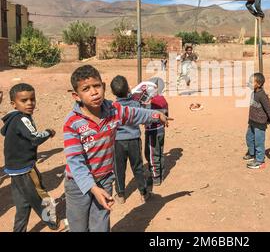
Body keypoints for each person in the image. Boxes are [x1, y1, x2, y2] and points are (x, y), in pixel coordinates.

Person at [63, 65, 169, 232]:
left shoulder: (113, 110)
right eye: (86, 88)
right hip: (77, 184)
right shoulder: (72, 124)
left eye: (97, 86)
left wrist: (156, 115)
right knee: (79, 227)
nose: (94, 92)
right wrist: (92, 188)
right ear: (76, 95)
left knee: (101, 224)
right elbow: (75, 161)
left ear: (104, 87)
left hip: (104, 178)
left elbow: (134, 113)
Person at [1, 83, 58, 232]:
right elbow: (35, 138)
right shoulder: (22, 119)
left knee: (22, 203)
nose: (29, 103)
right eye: (24, 100)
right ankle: (53, 222)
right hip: (25, 168)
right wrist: (48, 132)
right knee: (41, 196)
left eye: (32, 99)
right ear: (14, 104)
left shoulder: (13, 119)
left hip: (14, 169)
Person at [110, 75, 151, 205]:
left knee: (118, 168)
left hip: (118, 142)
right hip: (134, 139)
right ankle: (143, 193)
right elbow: (145, 116)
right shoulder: (135, 103)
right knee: (138, 167)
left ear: (112, 92)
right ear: (128, 88)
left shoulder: (113, 107)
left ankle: (121, 195)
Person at [243, 73, 270, 169]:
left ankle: (259, 160)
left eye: (251, 82)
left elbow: (269, 110)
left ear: (258, 84)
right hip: (252, 122)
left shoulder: (262, 96)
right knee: (249, 138)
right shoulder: (253, 92)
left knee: (259, 142)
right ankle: (252, 154)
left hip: (260, 124)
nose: (249, 83)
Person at [144, 77, 169, 186]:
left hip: (152, 131)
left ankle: (155, 177)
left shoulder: (151, 101)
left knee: (152, 155)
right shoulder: (163, 99)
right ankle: (161, 174)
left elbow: (145, 114)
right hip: (161, 130)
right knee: (160, 153)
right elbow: (166, 115)